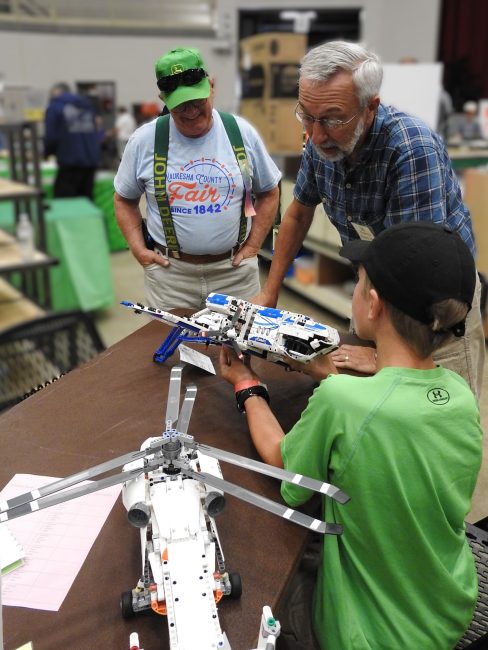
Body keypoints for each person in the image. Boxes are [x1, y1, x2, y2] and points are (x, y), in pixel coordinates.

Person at [220, 222, 483, 650]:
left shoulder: (343, 400)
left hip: (366, 634)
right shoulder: (458, 393)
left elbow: (288, 473)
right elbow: (394, 406)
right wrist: (331, 373)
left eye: (358, 283)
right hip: (447, 603)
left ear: (373, 305)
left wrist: (246, 385)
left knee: (258, 594)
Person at [255, 41, 485, 399]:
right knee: (376, 408)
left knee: (437, 418)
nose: (316, 135)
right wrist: (270, 291)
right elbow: (299, 212)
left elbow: (420, 269)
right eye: (307, 116)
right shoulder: (321, 142)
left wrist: (384, 352)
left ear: (370, 107)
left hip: (438, 304)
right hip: (377, 290)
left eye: (332, 119)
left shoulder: (411, 150)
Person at [114, 47, 281, 310]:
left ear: (211, 86)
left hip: (235, 275)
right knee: (170, 349)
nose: (190, 111)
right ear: (164, 99)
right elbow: (124, 200)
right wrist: (138, 249)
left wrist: (253, 246)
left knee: (239, 349)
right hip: (170, 278)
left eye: (196, 100)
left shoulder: (241, 133)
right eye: (180, 104)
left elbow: (269, 191)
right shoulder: (144, 141)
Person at [44, 82, 101, 199]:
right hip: (90, 161)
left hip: (69, 161)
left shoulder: (55, 107)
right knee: (86, 201)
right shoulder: (87, 106)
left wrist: (47, 153)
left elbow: (51, 136)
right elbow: (95, 131)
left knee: (65, 202)